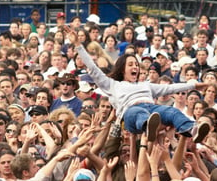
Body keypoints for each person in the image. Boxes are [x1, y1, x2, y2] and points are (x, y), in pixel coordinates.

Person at [65, 25, 209, 142]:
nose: (135, 67)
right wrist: (78, 44)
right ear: (122, 69)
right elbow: (93, 68)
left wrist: (193, 85)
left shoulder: (145, 84)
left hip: (152, 109)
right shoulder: (113, 84)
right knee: (138, 112)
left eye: (136, 65)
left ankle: (192, 130)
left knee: (172, 111)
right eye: (131, 65)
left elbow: (169, 88)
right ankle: (148, 127)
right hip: (130, 113)